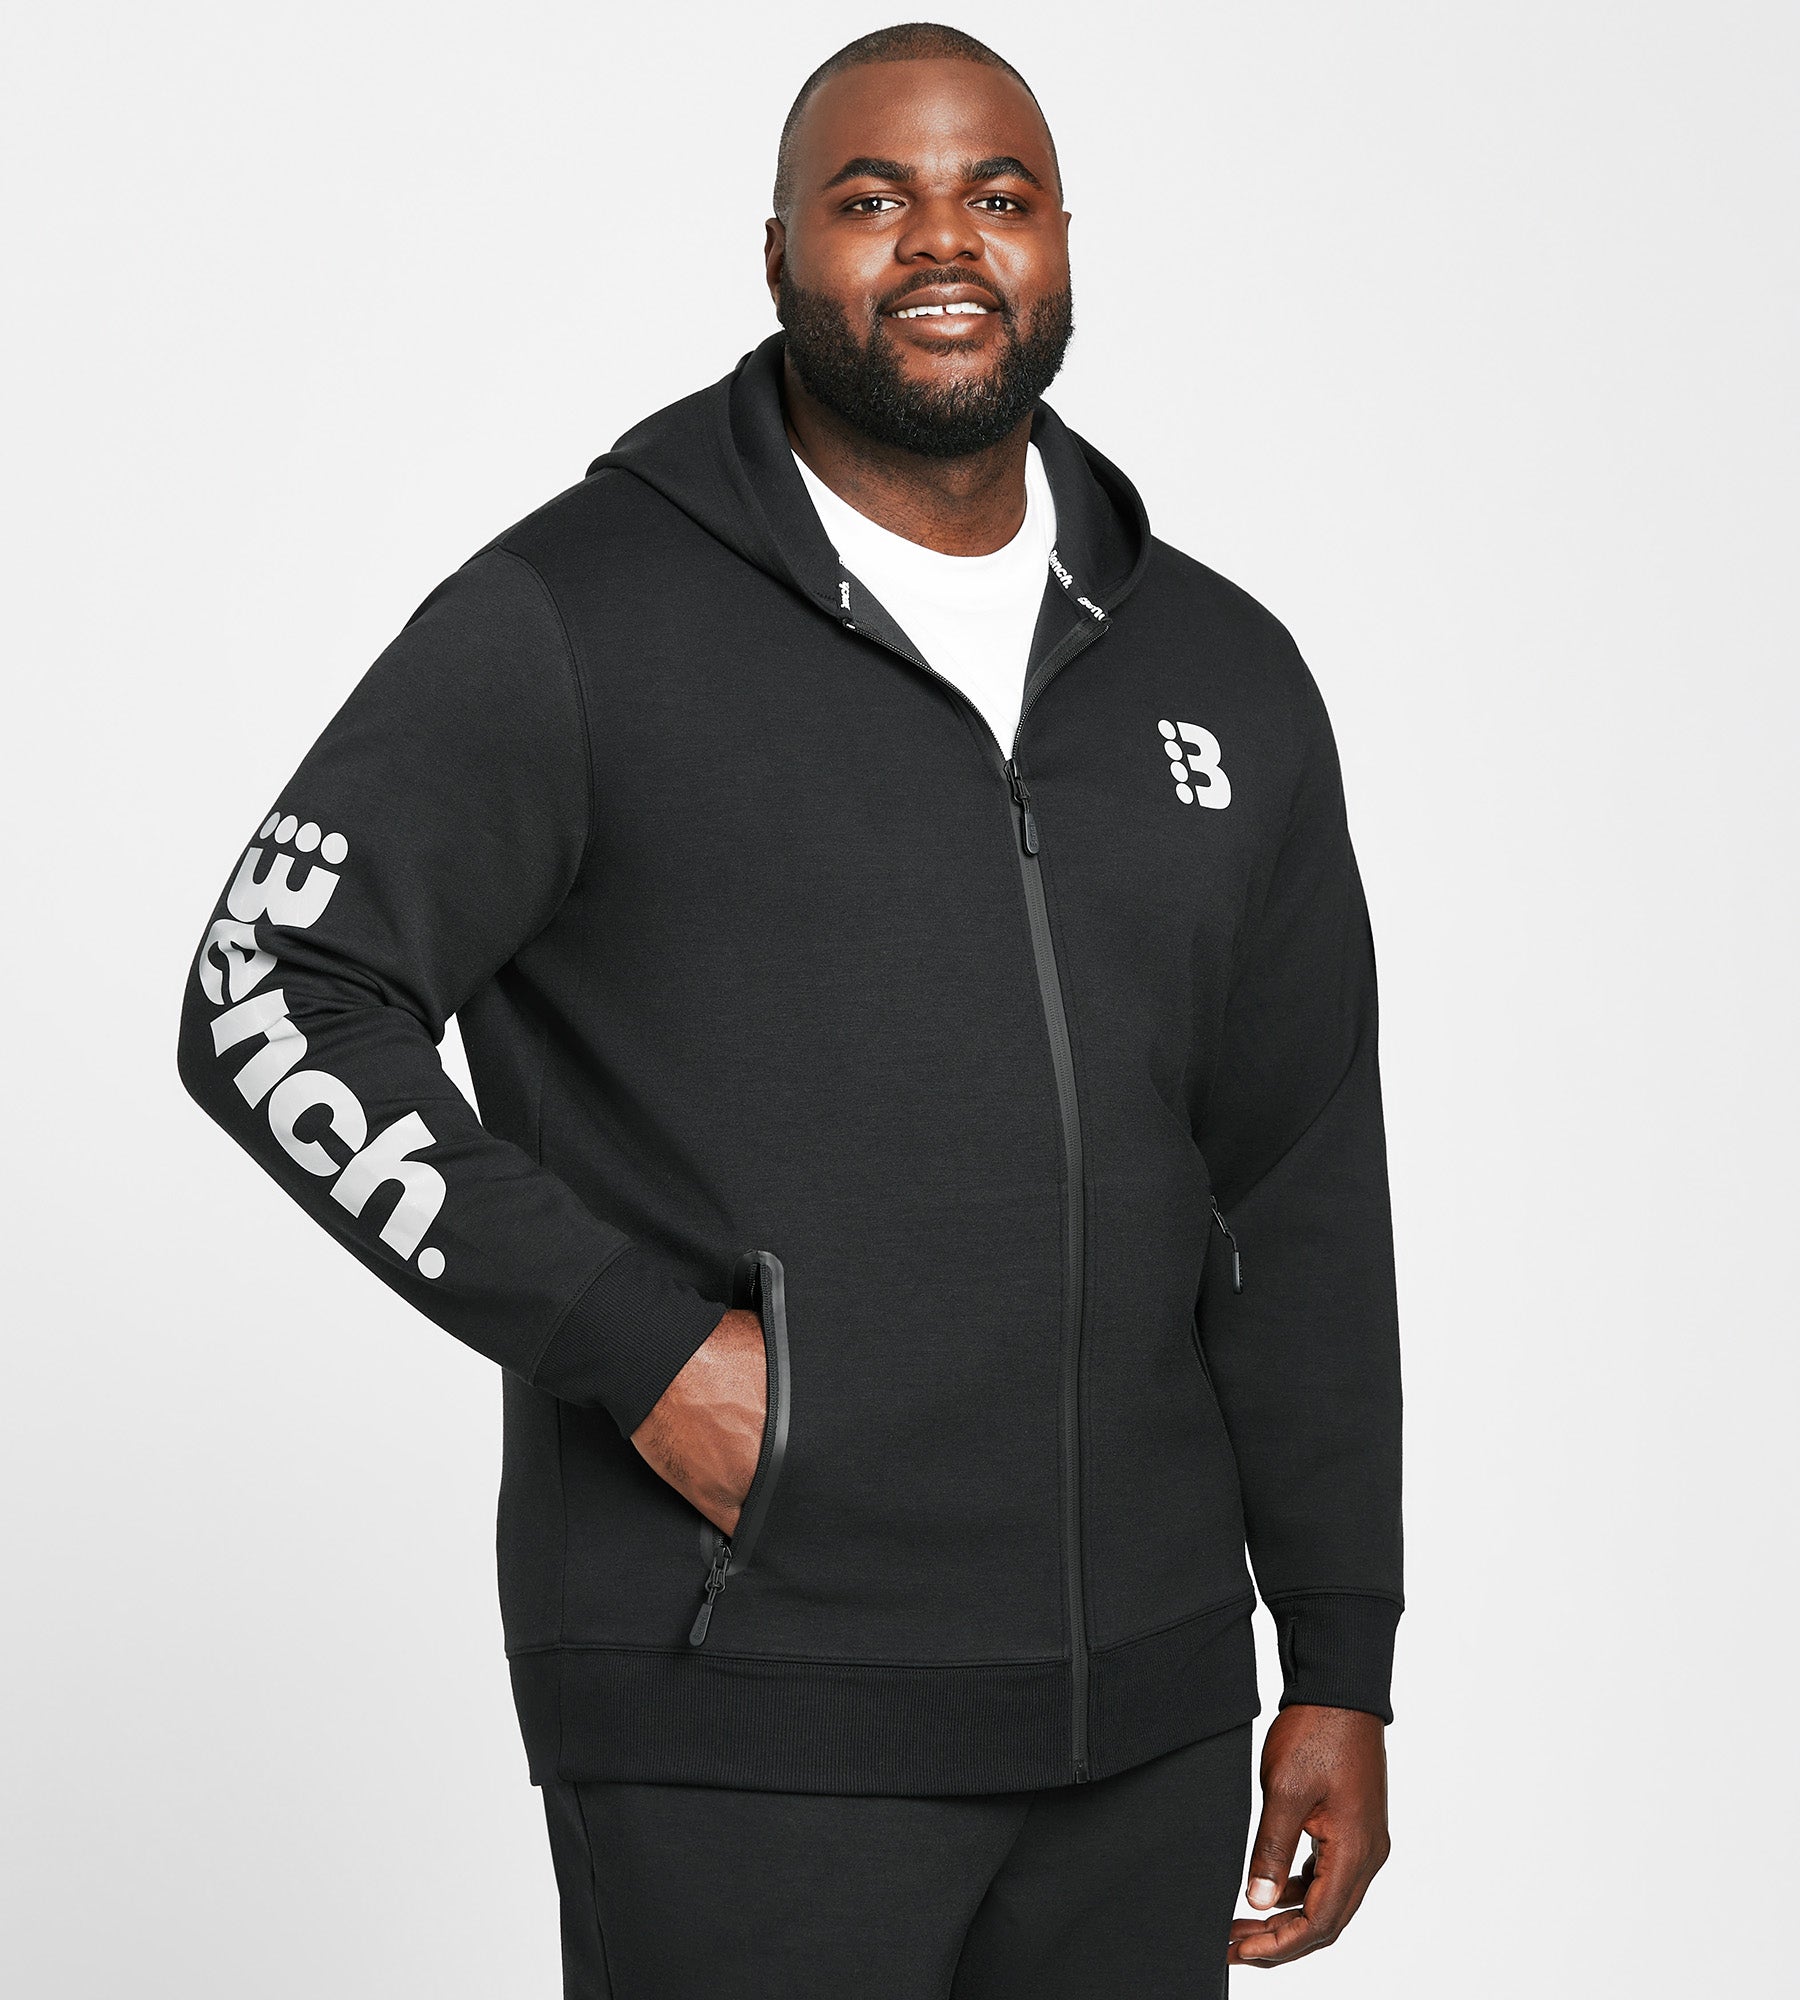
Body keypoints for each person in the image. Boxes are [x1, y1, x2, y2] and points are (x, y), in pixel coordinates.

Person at [177, 21, 1402, 1995]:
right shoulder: (581, 616)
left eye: (997, 196)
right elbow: (268, 989)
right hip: (744, 1711)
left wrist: (1338, 1650)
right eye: (872, 197)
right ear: (776, 256)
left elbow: (1298, 1182)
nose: (943, 240)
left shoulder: (1222, 672)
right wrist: (634, 1343)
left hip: (1151, 1727)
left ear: (1060, 243)